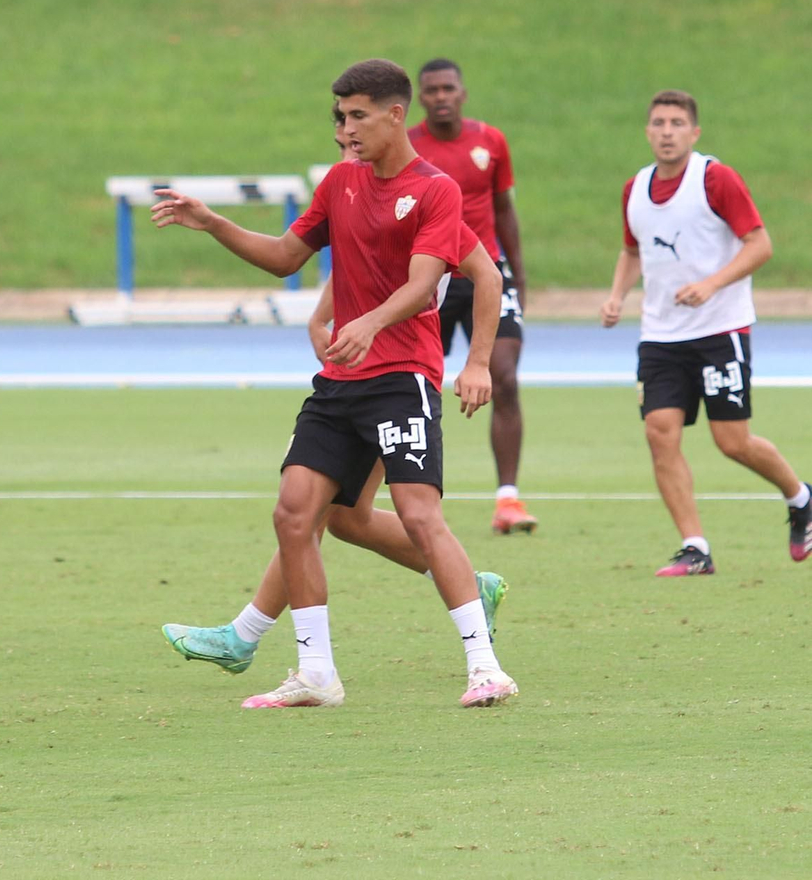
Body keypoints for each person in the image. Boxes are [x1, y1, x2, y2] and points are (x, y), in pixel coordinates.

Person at [151, 59, 517, 709]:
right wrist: (213, 224)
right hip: (340, 381)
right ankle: (315, 673)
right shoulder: (341, 185)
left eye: (356, 117)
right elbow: (286, 257)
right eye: (337, 118)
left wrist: (464, 357)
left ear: (394, 114)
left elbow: (426, 282)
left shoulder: (433, 190)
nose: (343, 131)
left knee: (417, 514)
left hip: (402, 376)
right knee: (298, 512)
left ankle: (485, 667)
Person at [600, 89, 811, 575]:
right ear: (647, 131)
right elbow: (632, 251)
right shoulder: (635, 188)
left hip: (720, 330)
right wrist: (617, 296)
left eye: (677, 123)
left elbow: (760, 244)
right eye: (658, 122)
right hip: (660, 336)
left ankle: (800, 498)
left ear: (694, 133)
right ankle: (695, 547)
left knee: (732, 441)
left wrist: (712, 285)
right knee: (660, 433)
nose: (667, 131)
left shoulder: (715, 179)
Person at [409, 59, 534, 535]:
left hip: (486, 275)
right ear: (421, 98)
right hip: (430, 277)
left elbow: (503, 209)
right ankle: (417, 492)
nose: (441, 96)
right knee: (415, 385)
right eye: (432, 90)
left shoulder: (491, 141)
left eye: (448, 88)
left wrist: (517, 274)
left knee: (503, 375)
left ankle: (508, 499)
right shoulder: (410, 147)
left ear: (463, 93)